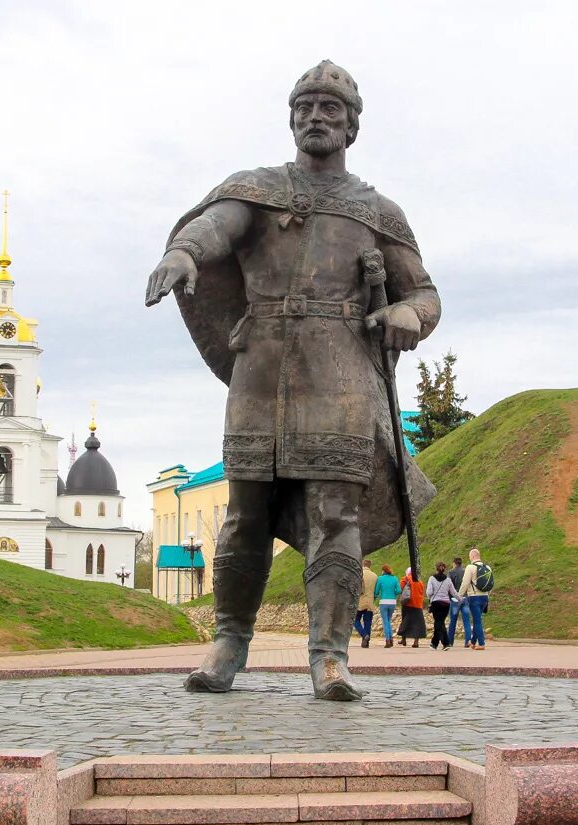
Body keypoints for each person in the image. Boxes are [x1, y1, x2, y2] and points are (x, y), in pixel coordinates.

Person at [145, 60, 441, 701]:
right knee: (244, 514)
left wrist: (403, 314)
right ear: (291, 118)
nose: (316, 117)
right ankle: (228, 644)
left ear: (352, 126)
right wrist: (184, 252)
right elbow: (217, 227)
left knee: (336, 516)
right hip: (260, 371)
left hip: (339, 379)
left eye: (330, 109)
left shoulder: (376, 212)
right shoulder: (255, 190)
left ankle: (330, 658)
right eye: (305, 107)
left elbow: (424, 295)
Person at [458, 548, 491, 649]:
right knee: (478, 619)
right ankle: (473, 642)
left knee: (477, 621)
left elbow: (465, 583)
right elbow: (490, 583)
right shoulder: (488, 568)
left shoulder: (470, 567)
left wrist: (459, 595)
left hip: (474, 597)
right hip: (485, 597)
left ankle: (481, 643)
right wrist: (487, 594)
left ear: (472, 556)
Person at [426, 562, 457, 650]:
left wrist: (430, 597)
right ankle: (434, 643)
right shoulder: (448, 580)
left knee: (438, 622)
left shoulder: (432, 579)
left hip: (436, 603)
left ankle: (446, 643)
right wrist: (460, 598)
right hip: (446, 604)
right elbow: (453, 592)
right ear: (445, 569)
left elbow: (429, 592)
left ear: (436, 568)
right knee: (439, 622)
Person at [397, 567, 426, 647]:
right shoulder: (420, 581)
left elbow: (400, 589)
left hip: (408, 603)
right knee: (417, 623)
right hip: (418, 604)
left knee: (405, 621)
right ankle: (416, 642)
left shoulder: (405, 579)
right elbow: (422, 591)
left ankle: (403, 640)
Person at [374, 564, 401, 648]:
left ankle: (388, 640)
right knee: (389, 620)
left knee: (385, 621)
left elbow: (376, 591)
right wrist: (394, 593)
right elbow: (399, 590)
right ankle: (391, 638)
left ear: (383, 571)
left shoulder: (380, 578)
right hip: (392, 602)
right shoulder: (395, 578)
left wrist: (374, 597)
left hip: (383, 602)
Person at [354, 559, 378, 648]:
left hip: (359, 601)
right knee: (368, 622)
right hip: (370, 601)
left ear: (363, 565)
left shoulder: (359, 574)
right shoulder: (375, 576)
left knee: (355, 620)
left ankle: (364, 635)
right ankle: (366, 643)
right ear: (370, 565)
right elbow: (376, 591)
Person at [447, 557, 470, 645]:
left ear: (454, 563)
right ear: (461, 563)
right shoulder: (465, 572)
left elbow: (449, 586)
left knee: (453, 621)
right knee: (466, 620)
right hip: (465, 598)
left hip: (454, 599)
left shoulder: (451, 572)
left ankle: (450, 641)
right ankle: (468, 641)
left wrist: (450, 597)